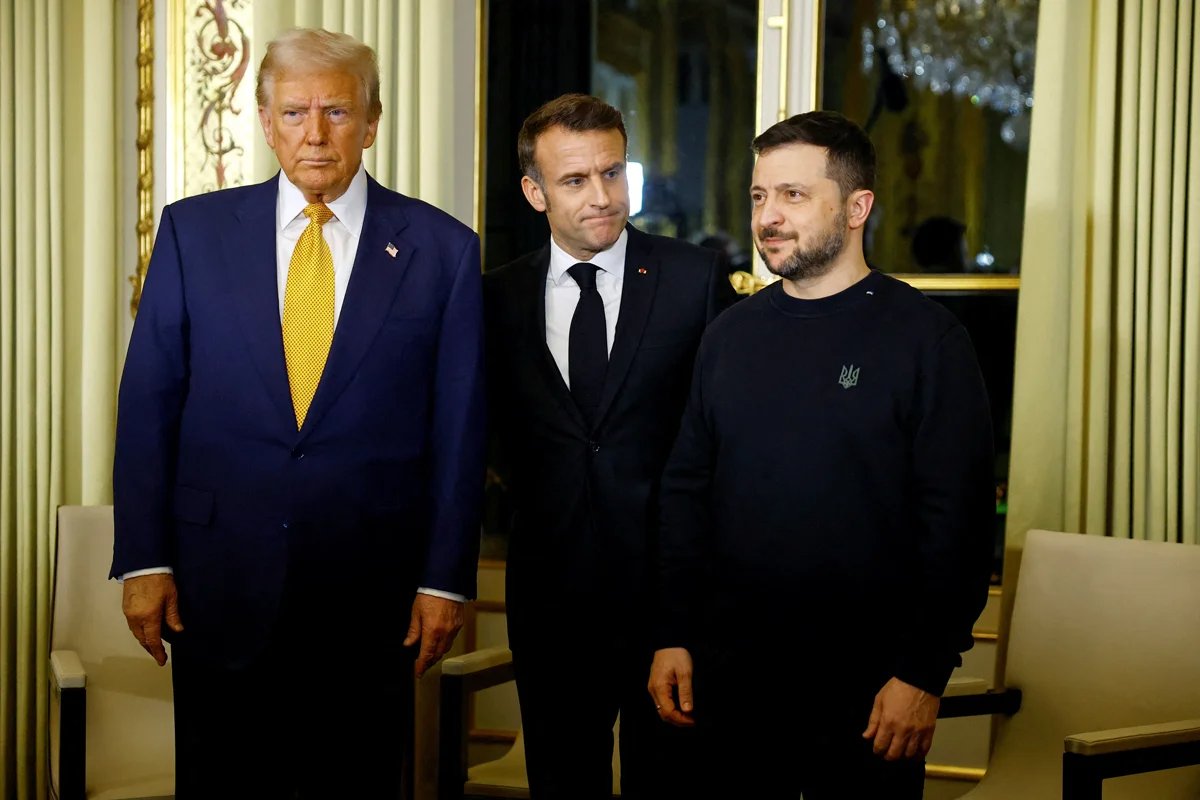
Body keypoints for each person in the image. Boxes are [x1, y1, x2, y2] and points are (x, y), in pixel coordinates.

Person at [111, 28, 485, 798]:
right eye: (295, 111)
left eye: (338, 112)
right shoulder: (193, 233)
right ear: (263, 118)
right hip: (218, 585)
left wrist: (445, 578)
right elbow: (149, 402)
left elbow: (459, 429)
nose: (315, 133)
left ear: (373, 121)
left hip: (370, 594)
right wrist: (145, 559)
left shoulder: (443, 251)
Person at [647, 110, 994, 798]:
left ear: (858, 206)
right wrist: (672, 632)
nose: (768, 216)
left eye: (794, 195)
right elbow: (686, 494)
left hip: (870, 695)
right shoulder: (729, 336)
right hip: (729, 684)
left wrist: (923, 674)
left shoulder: (927, 340)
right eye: (759, 196)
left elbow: (958, 524)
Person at [484, 93, 735, 799]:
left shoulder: (694, 279)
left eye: (613, 172)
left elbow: (722, 444)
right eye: (575, 180)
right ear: (535, 192)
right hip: (550, 602)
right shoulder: (495, 299)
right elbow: (491, 432)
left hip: (672, 609)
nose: (602, 196)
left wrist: (689, 617)